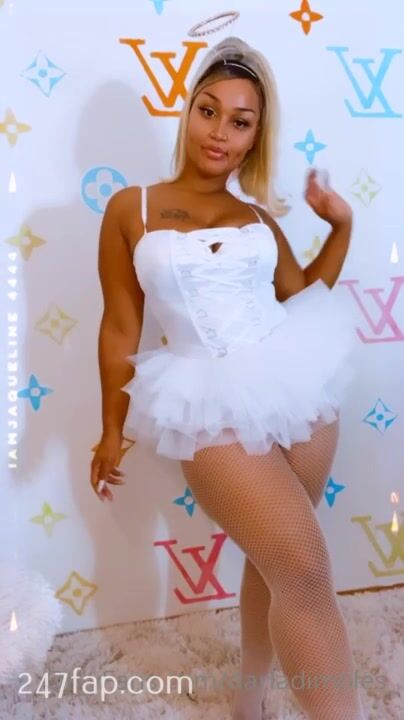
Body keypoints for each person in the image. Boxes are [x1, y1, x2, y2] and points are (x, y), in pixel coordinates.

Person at [90, 36, 366, 720]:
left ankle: (250, 700)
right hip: (206, 397)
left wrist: (342, 227)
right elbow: (120, 326)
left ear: (254, 137)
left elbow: (301, 296)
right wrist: (110, 428)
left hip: (294, 386)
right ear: (188, 113)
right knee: (304, 568)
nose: (219, 132)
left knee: (281, 565)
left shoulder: (257, 219)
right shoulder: (132, 208)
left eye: (239, 121)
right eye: (207, 111)